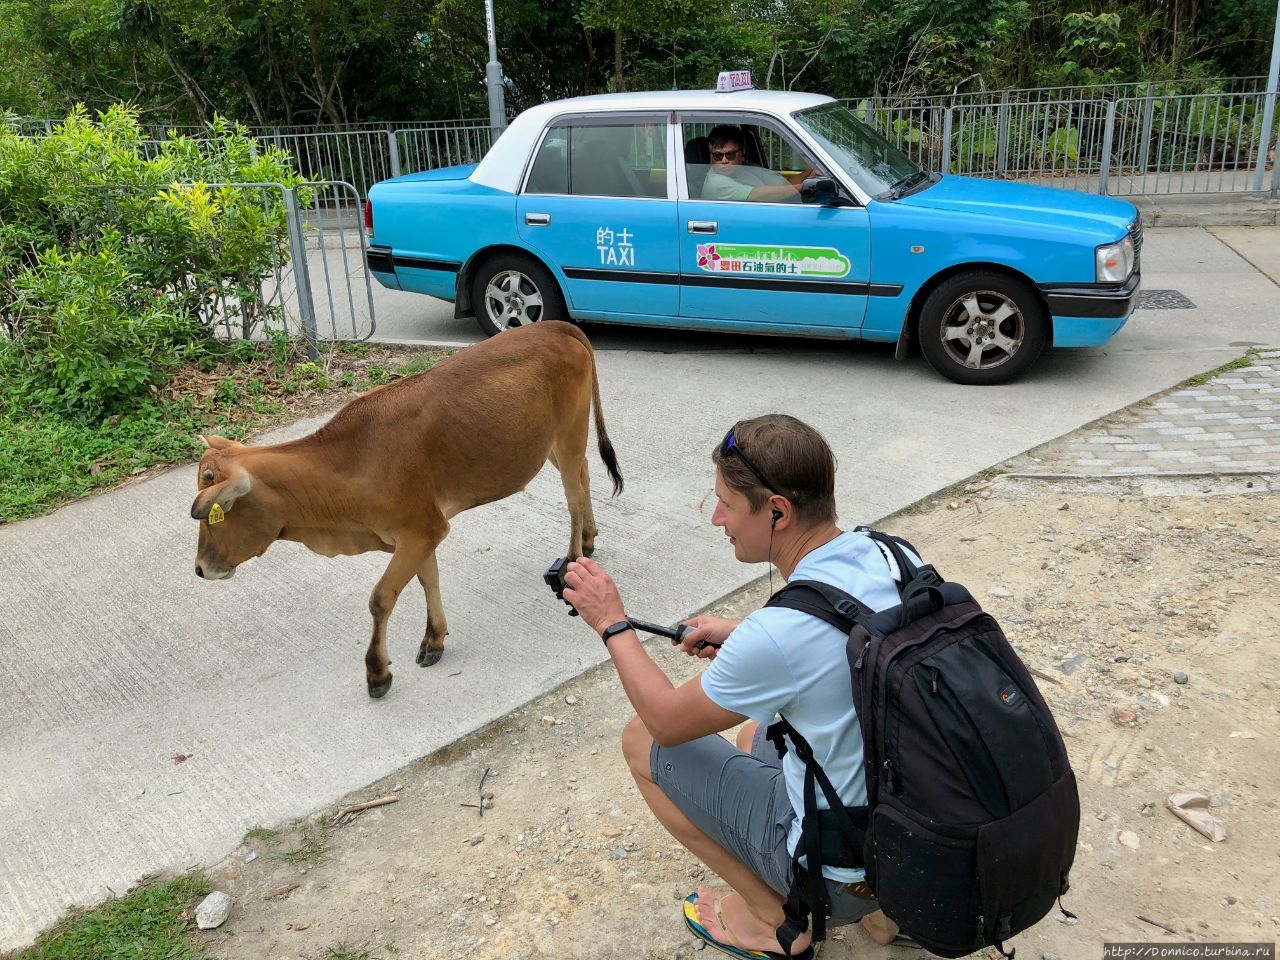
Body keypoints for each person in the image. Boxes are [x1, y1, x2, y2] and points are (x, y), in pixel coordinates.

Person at [561, 414, 908, 960]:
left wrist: (612, 623)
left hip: (841, 872)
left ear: (777, 510)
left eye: (725, 503)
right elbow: (853, 638)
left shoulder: (779, 636)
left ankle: (773, 920)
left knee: (641, 742)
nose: (717, 518)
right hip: (916, 837)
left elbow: (667, 723)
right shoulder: (890, 554)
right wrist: (743, 634)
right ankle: (889, 917)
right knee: (757, 733)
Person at [700, 125, 816, 203]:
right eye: (718, 156)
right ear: (711, 157)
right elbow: (760, 196)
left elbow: (784, 184)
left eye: (730, 155)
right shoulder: (716, 183)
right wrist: (805, 186)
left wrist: (812, 172)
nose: (724, 161)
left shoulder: (749, 168)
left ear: (742, 153)